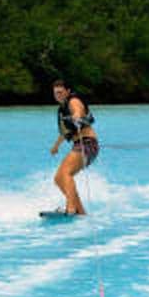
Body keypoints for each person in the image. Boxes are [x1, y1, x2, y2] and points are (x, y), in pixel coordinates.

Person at [49, 79, 99, 215]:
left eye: (60, 92)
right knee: (59, 179)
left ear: (68, 91)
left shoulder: (73, 101)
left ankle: (71, 208)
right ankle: (80, 212)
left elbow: (78, 110)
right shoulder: (61, 110)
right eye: (55, 93)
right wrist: (56, 147)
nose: (57, 95)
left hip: (87, 144)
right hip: (79, 145)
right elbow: (64, 133)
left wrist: (76, 116)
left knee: (66, 173)